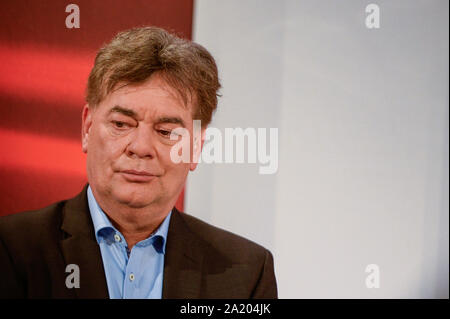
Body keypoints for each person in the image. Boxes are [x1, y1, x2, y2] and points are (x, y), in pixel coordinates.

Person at [0, 26, 277, 299]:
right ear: (87, 127)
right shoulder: (12, 249)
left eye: (167, 131)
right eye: (121, 124)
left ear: (195, 148)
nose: (141, 147)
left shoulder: (246, 274)